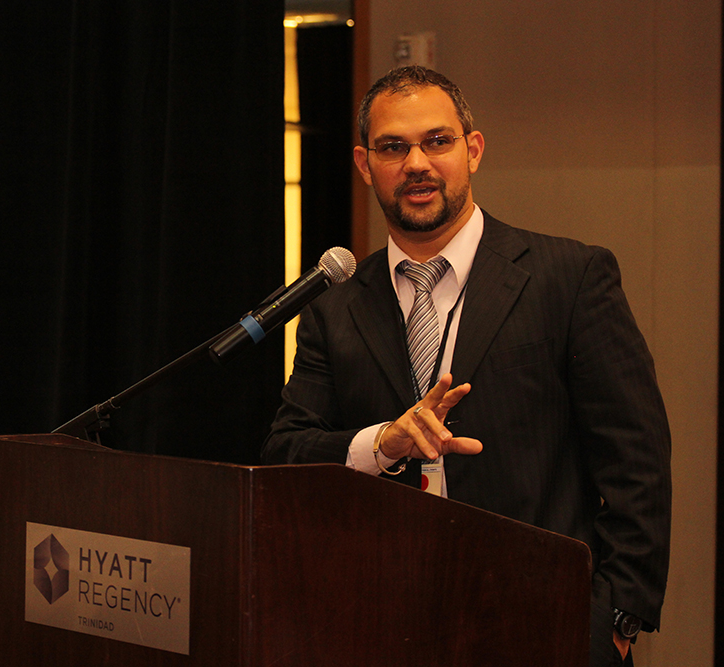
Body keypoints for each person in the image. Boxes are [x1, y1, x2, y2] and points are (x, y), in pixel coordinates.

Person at [263, 66, 671, 667]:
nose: (416, 164)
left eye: (437, 141)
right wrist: (382, 442)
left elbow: (637, 462)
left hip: (544, 626)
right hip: (380, 627)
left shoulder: (569, 277)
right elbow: (286, 452)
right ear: (364, 165)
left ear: (472, 150)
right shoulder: (336, 307)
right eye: (393, 147)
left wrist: (616, 621)